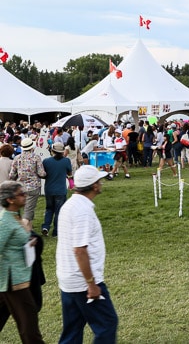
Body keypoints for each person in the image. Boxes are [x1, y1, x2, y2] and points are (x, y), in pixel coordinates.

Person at [56, 165, 119, 343]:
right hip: (83, 281)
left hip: (69, 278)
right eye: (99, 181)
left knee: (73, 330)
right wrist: (91, 284)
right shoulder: (82, 211)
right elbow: (80, 250)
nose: (101, 184)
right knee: (107, 323)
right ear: (94, 186)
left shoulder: (71, 205)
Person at [0, 181, 44, 343]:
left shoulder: (15, 217)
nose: (25, 196)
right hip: (13, 280)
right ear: (10, 199)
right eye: (21, 194)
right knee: (29, 322)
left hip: (16, 277)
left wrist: (29, 243)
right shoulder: (5, 221)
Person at [8, 138, 46, 227]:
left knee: (27, 210)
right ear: (31, 147)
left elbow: (12, 175)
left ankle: (29, 230)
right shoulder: (36, 157)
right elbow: (42, 173)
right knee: (29, 210)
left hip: (20, 187)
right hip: (33, 186)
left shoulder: (17, 158)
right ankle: (23, 230)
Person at [42, 142, 72, 237]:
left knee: (49, 209)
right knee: (59, 211)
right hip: (61, 189)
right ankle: (56, 231)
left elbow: (43, 174)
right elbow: (69, 172)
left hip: (49, 189)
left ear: (53, 150)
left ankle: (46, 227)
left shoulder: (46, 161)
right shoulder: (66, 161)